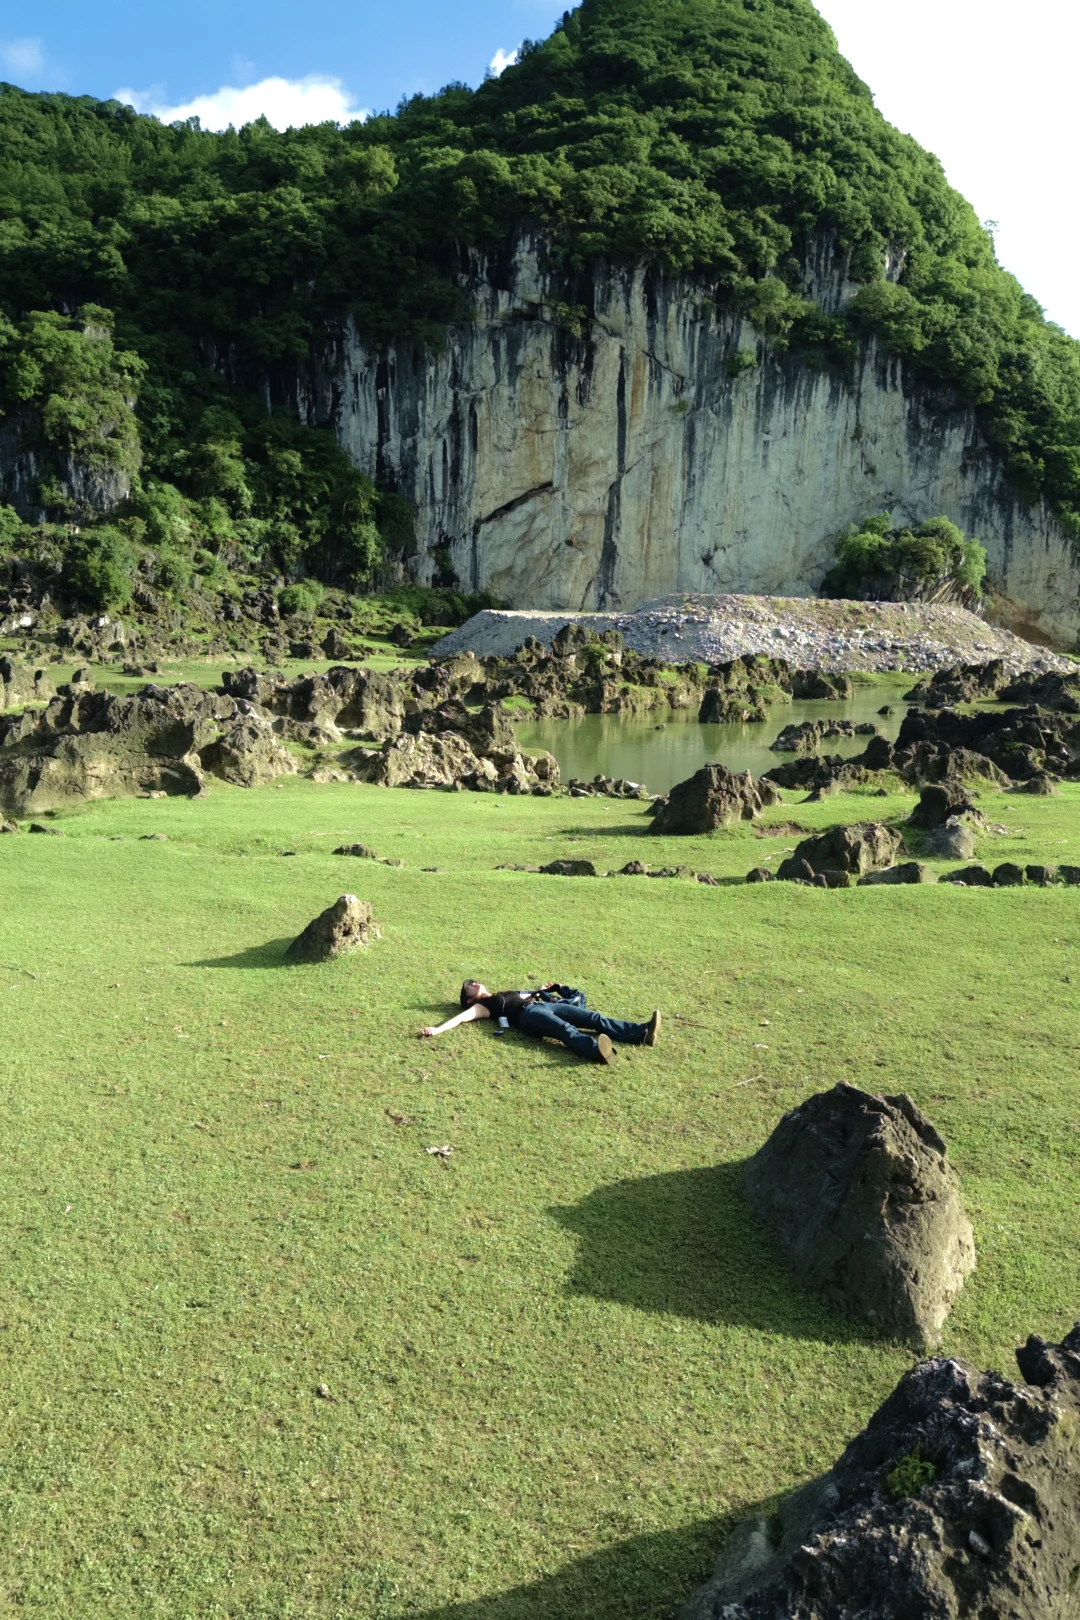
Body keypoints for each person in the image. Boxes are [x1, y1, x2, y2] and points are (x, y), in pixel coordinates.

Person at [418, 981, 660, 1064]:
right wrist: (437, 1029)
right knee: (565, 1030)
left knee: (593, 1018)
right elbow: (460, 1019)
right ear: (470, 999)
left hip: (540, 1005)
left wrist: (542, 990)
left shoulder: (501, 993)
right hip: (528, 1017)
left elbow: (526, 994)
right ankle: (598, 1051)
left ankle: (642, 1032)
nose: (473, 983)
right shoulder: (483, 1007)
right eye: (469, 986)